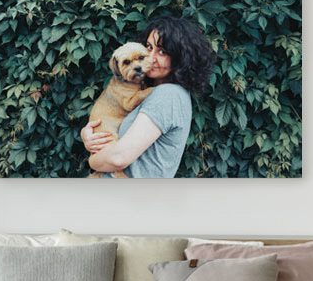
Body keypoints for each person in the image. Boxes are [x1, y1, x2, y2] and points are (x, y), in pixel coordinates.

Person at [81, 16, 215, 177]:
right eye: (149, 47)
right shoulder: (154, 91)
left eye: (162, 51)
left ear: (180, 59)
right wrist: (90, 137)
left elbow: (118, 159)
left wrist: (93, 160)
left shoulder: (167, 95)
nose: (151, 57)